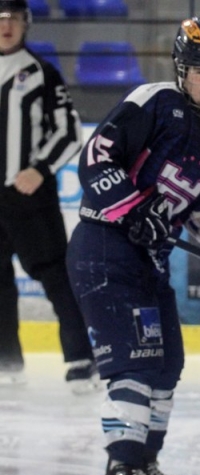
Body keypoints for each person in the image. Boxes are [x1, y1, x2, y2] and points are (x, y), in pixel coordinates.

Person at [65, 16, 200, 475]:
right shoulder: (155, 101)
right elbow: (94, 162)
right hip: (104, 246)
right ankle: (122, 474)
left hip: (147, 258)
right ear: (182, 71)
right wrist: (135, 209)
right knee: (135, 363)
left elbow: (194, 206)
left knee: (164, 364)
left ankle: (144, 465)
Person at [0, 0, 98, 392]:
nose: (5, 25)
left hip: (29, 199)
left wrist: (38, 170)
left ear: (26, 23)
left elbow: (69, 131)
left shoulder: (42, 73)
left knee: (57, 277)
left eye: (12, 18)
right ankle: (7, 363)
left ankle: (80, 362)